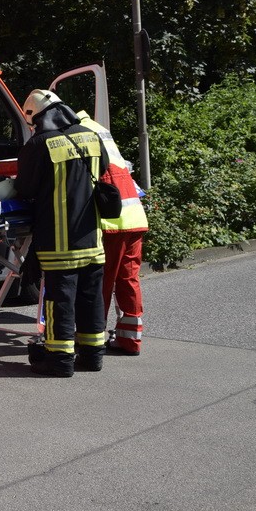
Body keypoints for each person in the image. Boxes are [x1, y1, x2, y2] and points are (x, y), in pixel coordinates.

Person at [15, 89, 109, 377]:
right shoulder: (92, 136)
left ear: (38, 118)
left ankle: (59, 360)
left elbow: (26, 189)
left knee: (59, 300)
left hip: (59, 241)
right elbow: (103, 168)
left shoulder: (40, 143)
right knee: (91, 297)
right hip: (92, 238)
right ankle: (93, 356)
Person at [77, 110, 148, 355]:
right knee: (128, 281)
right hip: (135, 219)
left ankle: (92, 340)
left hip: (113, 225)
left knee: (101, 281)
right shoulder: (99, 130)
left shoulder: (80, 134)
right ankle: (130, 341)